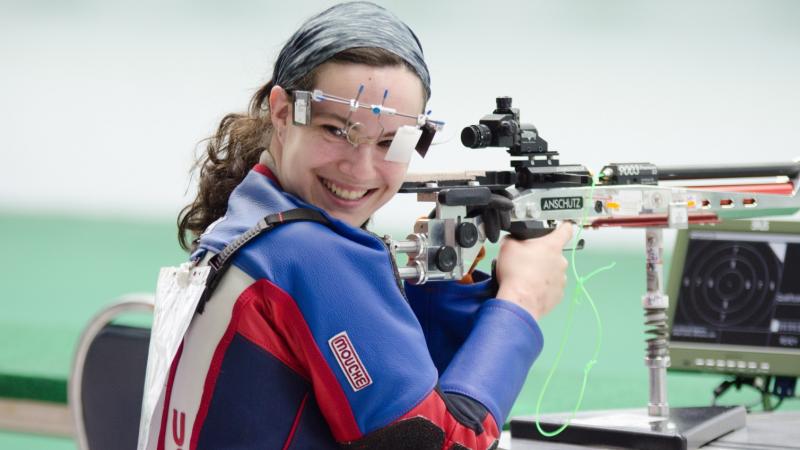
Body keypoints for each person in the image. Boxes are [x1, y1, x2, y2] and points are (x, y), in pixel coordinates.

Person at [155, 2, 572, 449]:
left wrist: (443, 288)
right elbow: (445, 443)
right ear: (281, 112)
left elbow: (391, 397)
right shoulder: (309, 253)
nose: (360, 169)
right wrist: (520, 302)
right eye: (337, 130)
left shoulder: (247, 226)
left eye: (391, 142)